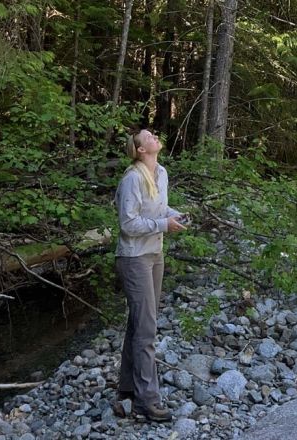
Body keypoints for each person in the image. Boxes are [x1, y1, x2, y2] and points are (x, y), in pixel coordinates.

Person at [113, 128, 186, 422]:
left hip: (155, 254)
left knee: (138, 324)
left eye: (154, 133)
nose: (155, 136)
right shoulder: (131, 178)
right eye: (149, 136)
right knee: (147, 330)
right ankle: (148, 400)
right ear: (141, 149)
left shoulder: (162, 173)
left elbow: (159, 208)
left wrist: (175, 216)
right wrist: (162, 225)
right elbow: (128, 223)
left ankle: (128, 388)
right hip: (133, 258)